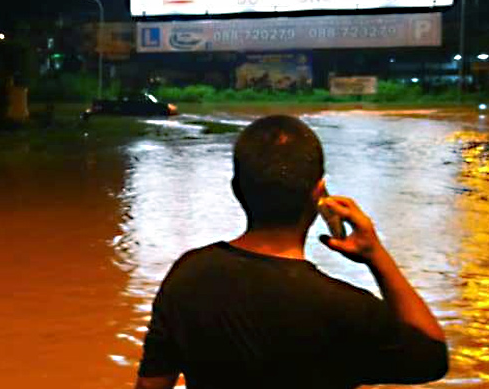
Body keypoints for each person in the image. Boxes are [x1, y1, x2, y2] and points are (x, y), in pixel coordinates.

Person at [134, 115, 448, 389]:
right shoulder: (347, 309)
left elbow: (151, 384)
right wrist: (376, 255)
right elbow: (433, 357)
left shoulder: (188, 276)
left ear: (237, 189)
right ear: (318, 195)